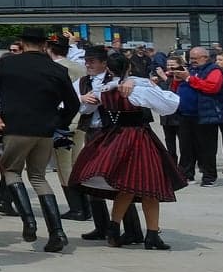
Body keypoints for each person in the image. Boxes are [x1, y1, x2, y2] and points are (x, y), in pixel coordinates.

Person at [70, 51, 184, 249]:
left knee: (126, 187)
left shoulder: (103, 88)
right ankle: (151, 234)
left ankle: (115, 228)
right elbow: (169, 105)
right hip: (138, 137)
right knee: (150, 187)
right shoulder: (137, 88)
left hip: (114, 137)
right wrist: (145, 83)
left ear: (108, 68)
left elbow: (85, 107)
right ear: (129, 68)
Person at [0, 28, 81, 253]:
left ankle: (28, 220)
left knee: (11, 171)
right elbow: (73, 105)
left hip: (16, 128)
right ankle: (57, 231)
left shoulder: (8, 64)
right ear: (44, 45)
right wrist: (59, 123)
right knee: (38, 177)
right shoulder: (57, 69)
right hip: (45, 130)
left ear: (22, 42)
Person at [171, 47, 223, 186]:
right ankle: (186, 175)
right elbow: (178, 88)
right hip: (185, 114)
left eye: (195, 58)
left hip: (204, 115)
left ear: (205, 58)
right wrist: (178, 79)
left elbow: (212, 87)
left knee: (206, 148)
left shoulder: (214, 70)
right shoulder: (189, 69)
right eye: (191, 58)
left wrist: (189, 78)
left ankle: (209, 177)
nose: (192, 61)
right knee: (186, 147)